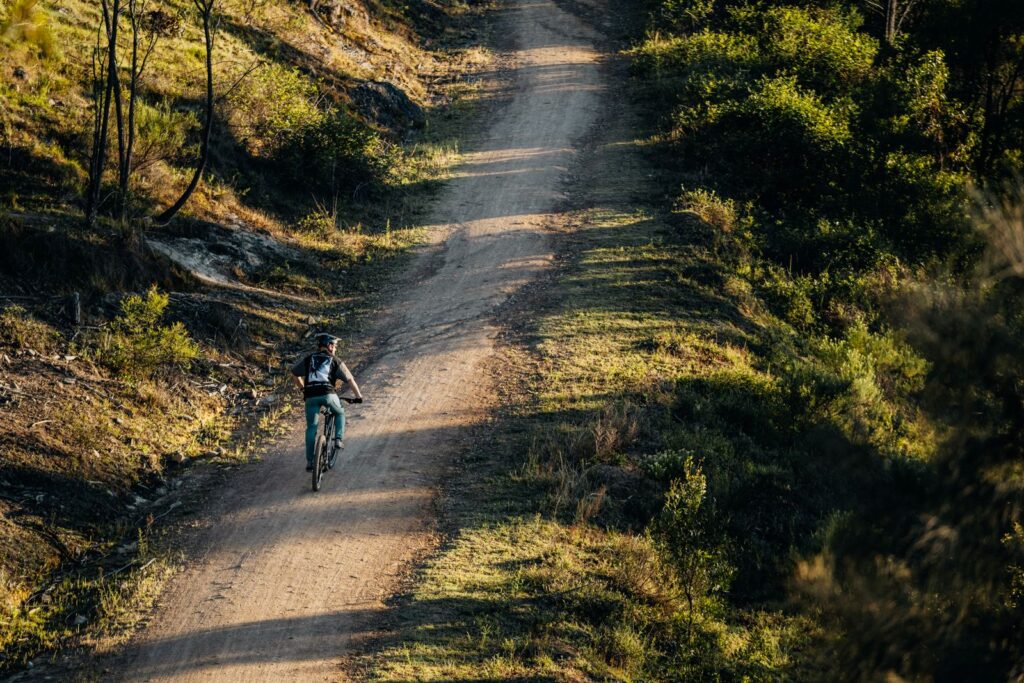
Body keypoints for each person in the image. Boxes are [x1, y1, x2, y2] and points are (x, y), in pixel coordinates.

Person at [291, 333, 363, 472]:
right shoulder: (335, 360)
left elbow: (294, 374)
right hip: (328, 394)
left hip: (310, 396)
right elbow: (350, 380)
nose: (335, 349)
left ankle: (310, 461)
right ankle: (338, 439)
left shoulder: (309, 359)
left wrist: (303, 389)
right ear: (329, 346)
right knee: (340, 412)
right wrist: (358, 396)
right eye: (335, 346)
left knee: (311, 428)